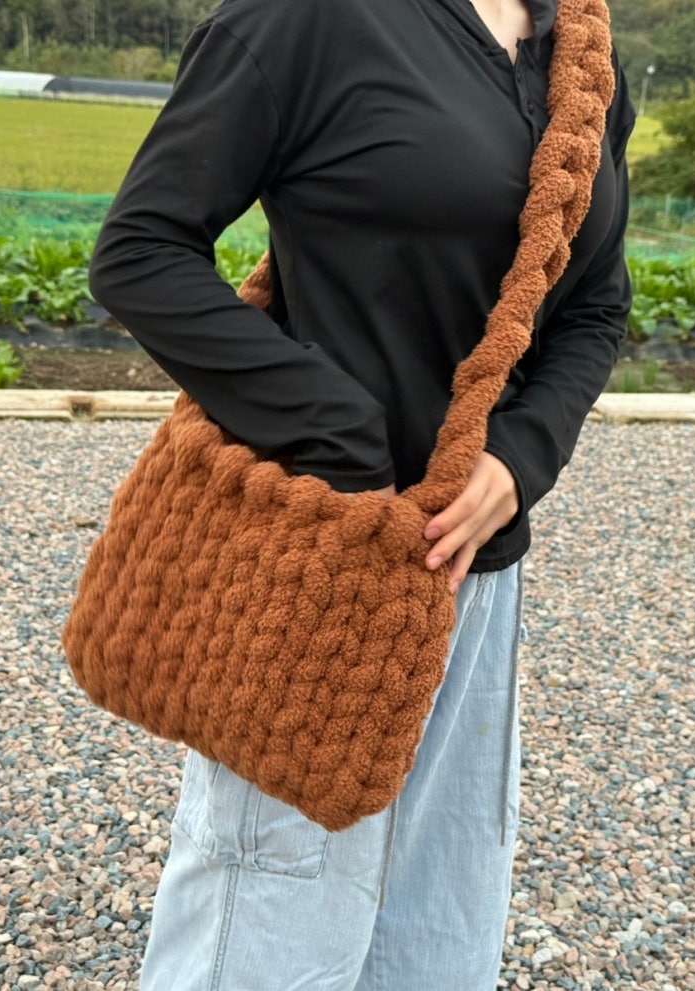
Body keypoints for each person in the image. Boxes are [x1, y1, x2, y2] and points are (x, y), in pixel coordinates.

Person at [88, 0, 635, 986]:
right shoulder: (311, 18)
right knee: (261, 933)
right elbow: (141, 251)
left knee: (435, 935)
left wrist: (519, 457)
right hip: (320, 562)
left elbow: (595, 304)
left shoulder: (581, 50)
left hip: (474, 586)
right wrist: (338, 433)